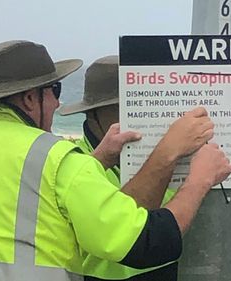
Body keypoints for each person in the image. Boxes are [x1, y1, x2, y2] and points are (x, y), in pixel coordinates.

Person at [0, 40, 231, 281]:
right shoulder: (55, 158)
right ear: (30, 98)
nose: (58, 102)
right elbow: (145, 242)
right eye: (54, 90)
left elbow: (20, 206)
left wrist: (95, 161)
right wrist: (199, 181)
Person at [59, 55, 178, 280]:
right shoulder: (76, 165)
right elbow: (123, 223)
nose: (137, 117)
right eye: (123, 108)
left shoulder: (160, 153)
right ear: (92, 114)